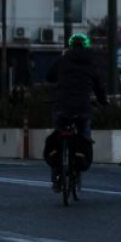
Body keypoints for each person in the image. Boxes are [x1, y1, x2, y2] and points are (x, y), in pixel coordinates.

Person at [47, 33, 107, 192]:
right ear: (86, 46)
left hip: (62, 106)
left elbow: (49, 77)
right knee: (84, 135)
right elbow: (99, 87)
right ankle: (80, 160)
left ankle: (56, 178)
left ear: (70, 45)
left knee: (58, 138)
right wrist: (103, 101)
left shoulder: (62, 60)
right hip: (83, 107)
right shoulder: (91, 63)